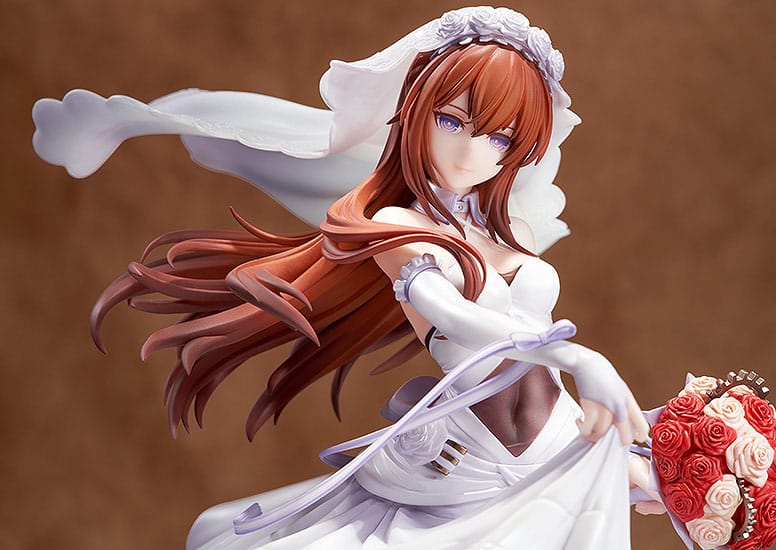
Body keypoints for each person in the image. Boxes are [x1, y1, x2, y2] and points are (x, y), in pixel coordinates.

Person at [33, 7, 652, 549]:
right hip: (468, 460)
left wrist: (632, 451)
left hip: (555, 441)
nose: (471, 152)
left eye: (500, 137)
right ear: (415, 111)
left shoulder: (510, 231)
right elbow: (456, 318)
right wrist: (578, 356)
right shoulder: (396, 224)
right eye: (451, 121)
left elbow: (537, 369)